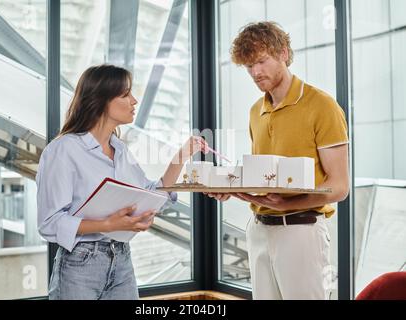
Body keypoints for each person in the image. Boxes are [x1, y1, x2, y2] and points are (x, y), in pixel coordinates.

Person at [37, 64, 208, 300]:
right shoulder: (64, 150)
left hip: (122, 260)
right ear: (101, 100)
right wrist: (106, 224)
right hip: (80, 264)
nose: (134, 101)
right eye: (125, 94)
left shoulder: (120, 150)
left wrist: (182, 156)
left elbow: (151, 192)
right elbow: (50, 222)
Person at [208, 22, 349, 300]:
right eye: (249, 66)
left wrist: (289, 203)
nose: (255, 72)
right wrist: (232, 188)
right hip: (259, 229)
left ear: (284, 53)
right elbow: (264, 177)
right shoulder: (255, 111)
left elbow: (340, 186)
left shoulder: (322, 105)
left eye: (261, 61)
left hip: (301, 232)